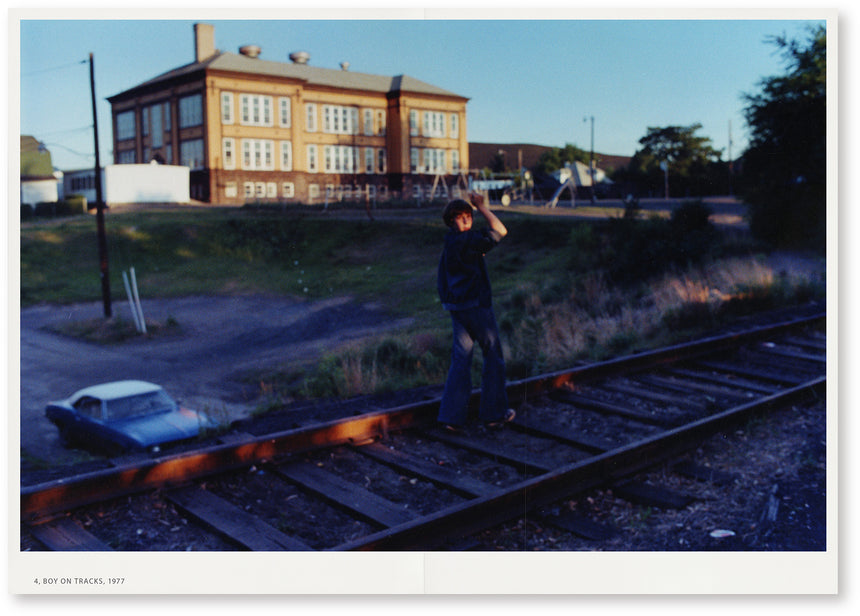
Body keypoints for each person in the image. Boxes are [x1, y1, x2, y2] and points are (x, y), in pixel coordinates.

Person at [436, 191, 516, 431]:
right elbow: (501, 230)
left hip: (457, 308)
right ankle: (494, 413)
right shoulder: (470, 241)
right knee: (493, 355)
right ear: (451, 221)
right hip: (476, 306)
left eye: (468, 216)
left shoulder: (449, 242)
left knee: (461, 359)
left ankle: (452, 417)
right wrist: (482, 207)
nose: (466, 221)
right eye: (460, 218)